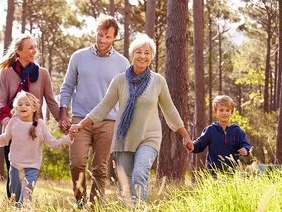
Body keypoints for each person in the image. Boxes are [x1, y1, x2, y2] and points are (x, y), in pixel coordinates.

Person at [69, 33, 193, 203]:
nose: (143, 56)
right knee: (125, 186)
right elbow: (104, 107)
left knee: (140, 173)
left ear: (152, 56)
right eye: (139, 52)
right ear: (132, 54)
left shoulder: (158, 81)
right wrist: (81, 125)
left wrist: (184, 134)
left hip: (149, 137)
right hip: (124, 139)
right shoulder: (119, 81)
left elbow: (169, 110)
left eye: (147, 52)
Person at [59, 14, 130, 208]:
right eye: (100, 35)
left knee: (100, 168)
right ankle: (80, 202)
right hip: (80, 118)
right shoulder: (79, 57)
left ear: (114, 37)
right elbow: (67, 86)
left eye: (107, 36)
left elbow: (126, 96)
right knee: (77, 163)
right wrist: (63, 113)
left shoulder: (122, 63)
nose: (102, 40)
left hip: (108, 121)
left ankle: (95, 207)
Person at [0, 34, 62, 201]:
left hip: (34, 128)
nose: (34, 50)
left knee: (30, 173)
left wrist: (61, 121)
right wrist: (8, 123)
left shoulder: (42, 74)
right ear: (19, 51)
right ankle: (14, 207)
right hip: (13, 129)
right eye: (30, 47)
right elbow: (2, 102)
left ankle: (24, 206)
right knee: (13, 173)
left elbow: (51, 101)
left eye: (35, 47)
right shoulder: (6, 74)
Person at [0, 91, 71, 207]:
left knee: (26, 196)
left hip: (32, 168)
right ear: (15, 108)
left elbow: (53, 143)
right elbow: (3, 140)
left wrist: (68, 138)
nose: (23, 106)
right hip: (15, 167)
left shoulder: (40, 125)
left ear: (34, 108)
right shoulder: (13, 123)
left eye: (27, 104)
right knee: (16, 198)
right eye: (20, 104)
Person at [190, 95, 251, 176]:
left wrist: (245, 150)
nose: (224, 113)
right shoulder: (210, 130)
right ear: (215, 111)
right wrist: (191, 145)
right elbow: (200, 144)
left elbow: (245, 144)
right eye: (221, 110)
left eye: (227, 110)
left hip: (232, 171)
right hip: (213, 171)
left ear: (231, 112)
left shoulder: (237, 131)